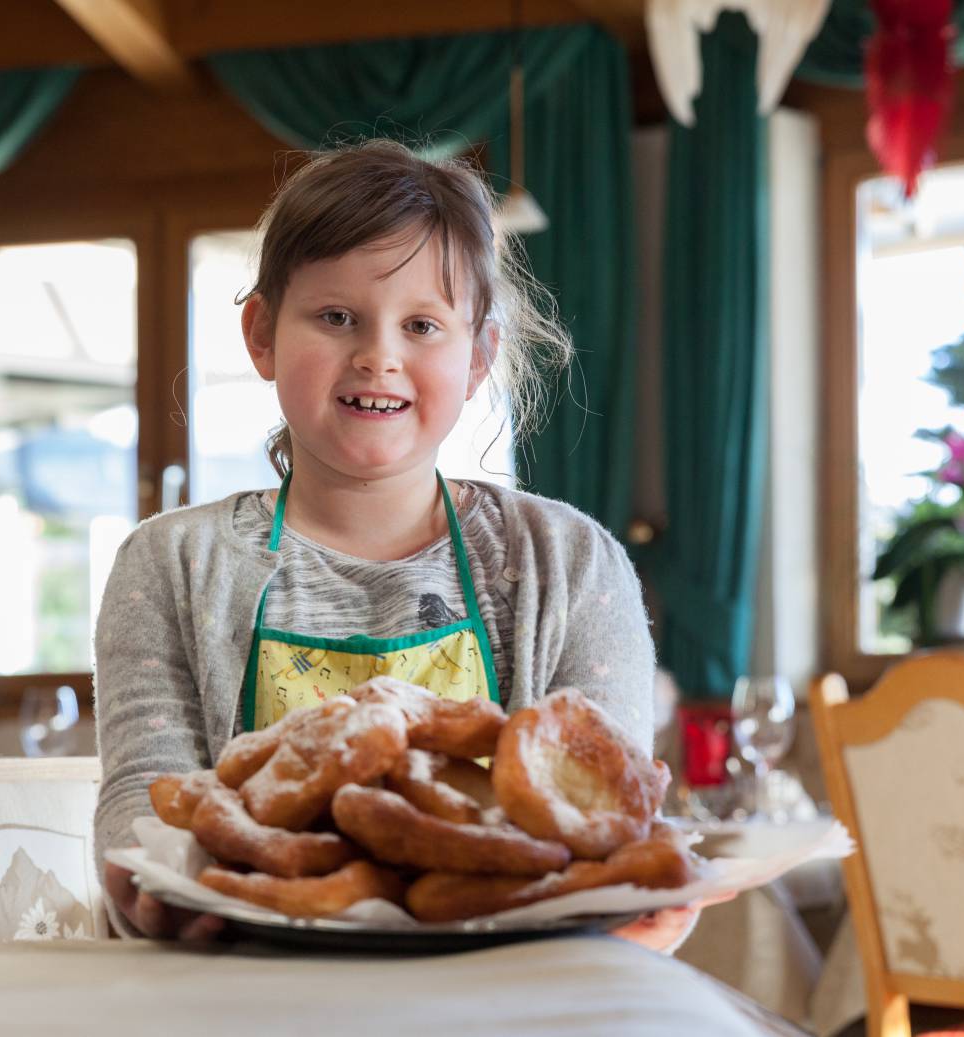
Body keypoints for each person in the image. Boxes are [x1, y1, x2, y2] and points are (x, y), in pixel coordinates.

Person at [95, 139, 671, 940]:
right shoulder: (168, 566)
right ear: (261, 333)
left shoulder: (570, 565)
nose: (378, 356)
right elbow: (144, 805)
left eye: (423, 325)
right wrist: (144, 884)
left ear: (478, 358)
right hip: (244, 985)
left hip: (509, 994)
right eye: (336, 317)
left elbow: (606, 822)